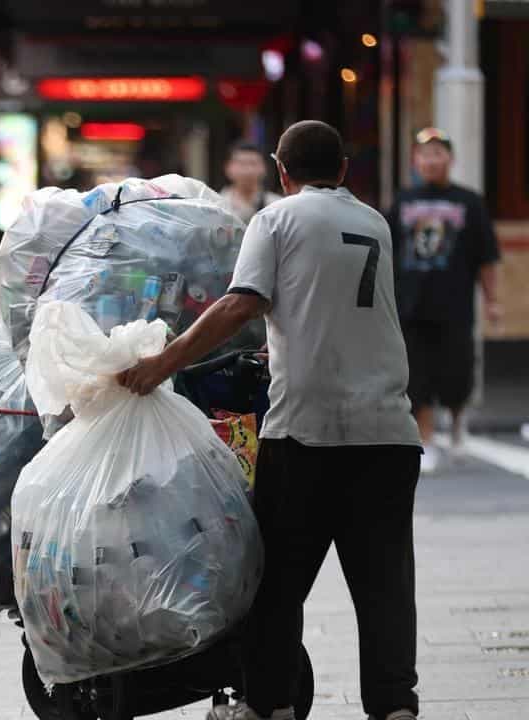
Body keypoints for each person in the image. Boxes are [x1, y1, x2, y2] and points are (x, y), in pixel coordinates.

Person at [118, 120, 422, 720]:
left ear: (282, 172)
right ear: (343, 171)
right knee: (385, 589)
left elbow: (243, 301)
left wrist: (162, 363)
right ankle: (395, 708)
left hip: (308, 433)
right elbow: (334, 309)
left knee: (274, 584)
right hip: (388, 434)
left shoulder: (276, 219)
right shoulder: (374, 222)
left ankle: (269, 706)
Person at [387, 127, 502, 473]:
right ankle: (426, 439)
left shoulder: (470, 202)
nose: (431, 160)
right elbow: (387, 251)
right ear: (415, 160)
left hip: (455, 306)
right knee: (416, 377)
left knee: (457, 372)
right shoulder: (403, 201)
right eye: (424, 154)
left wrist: (493, 300)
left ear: (450, 159)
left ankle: (456, 428)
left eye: (438, 153)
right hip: (411, 307)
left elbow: (487, 256)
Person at [220, 142, 282, 223]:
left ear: (264, 168)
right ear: (228, 167)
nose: (248, 170)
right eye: (242, 164)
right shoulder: (217, 206)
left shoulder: (277, 205)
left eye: (253, 163)